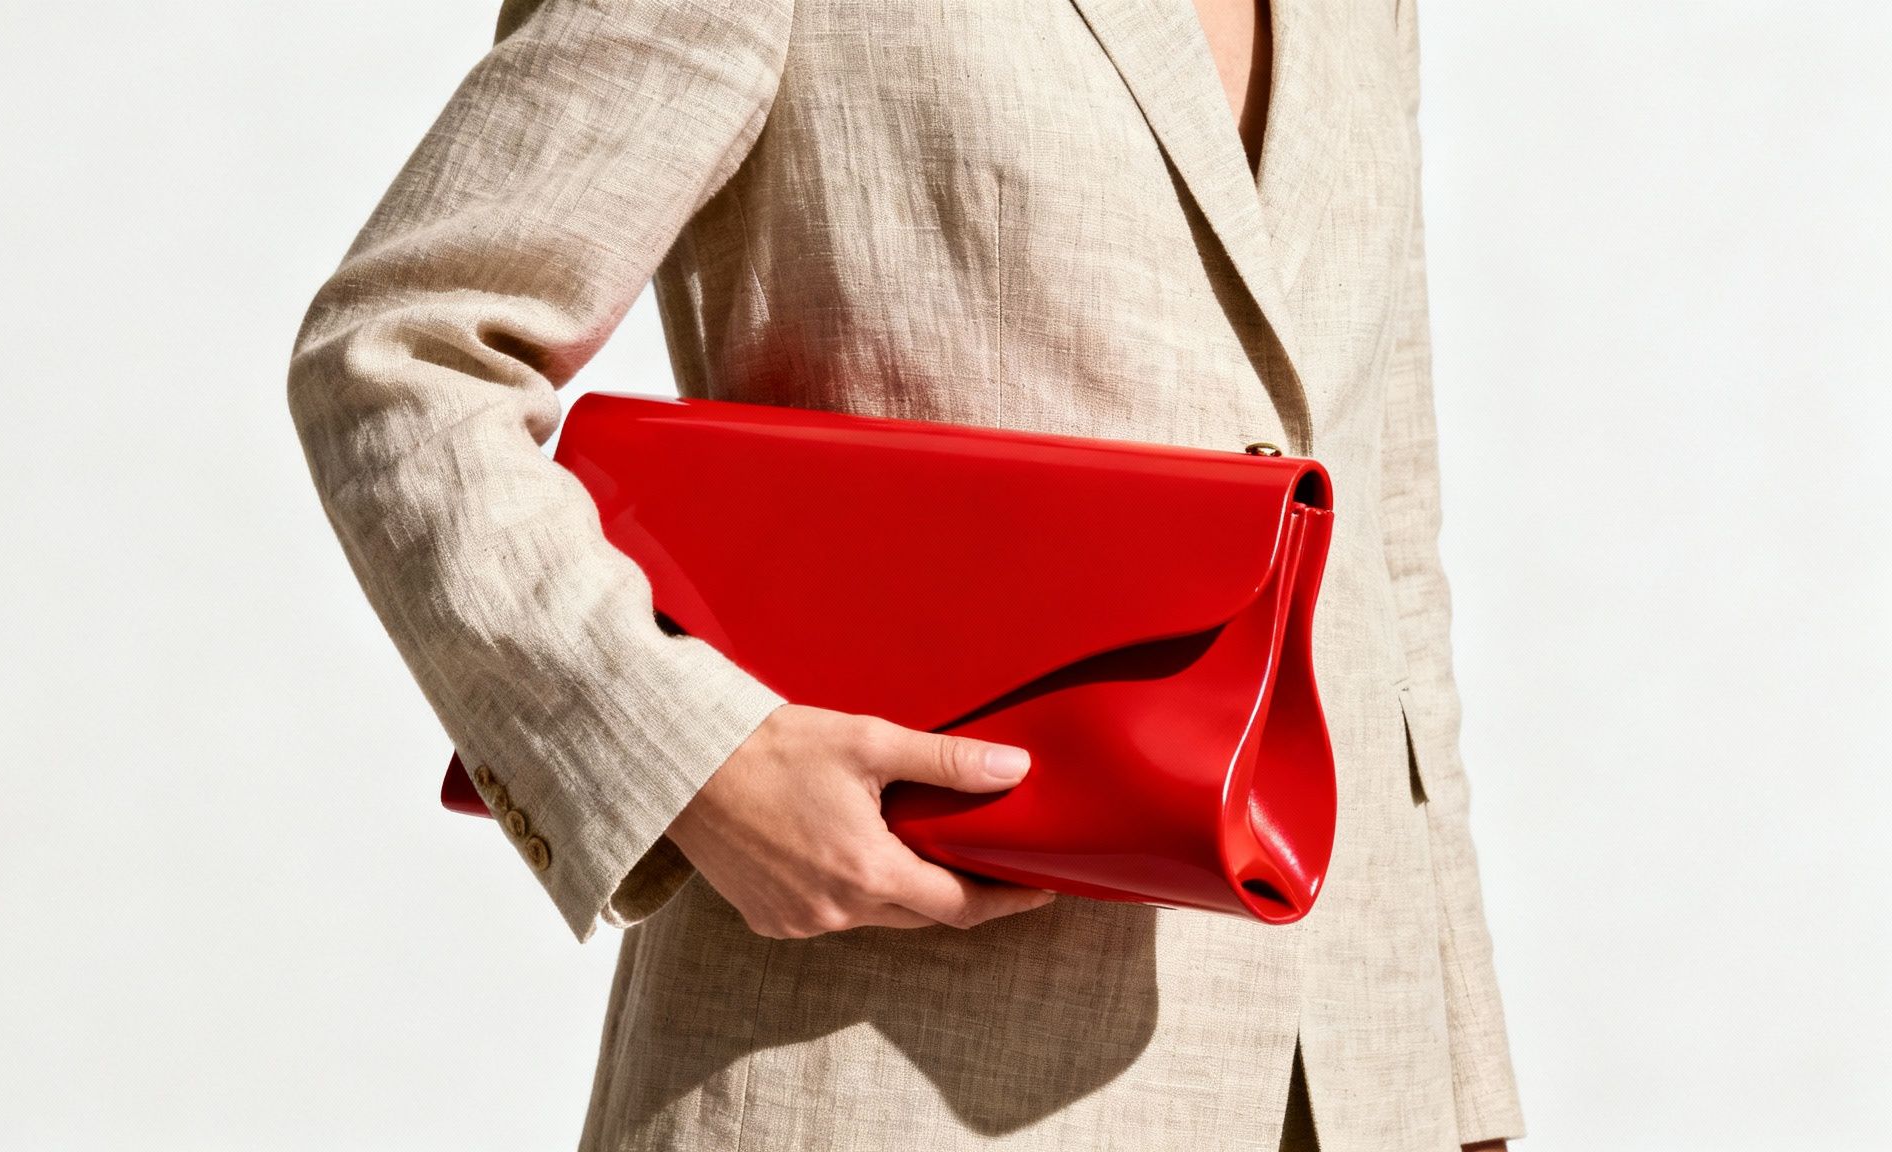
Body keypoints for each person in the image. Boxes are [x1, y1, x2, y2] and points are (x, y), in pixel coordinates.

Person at [285, 0, 1525, 1148]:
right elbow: (401, 357)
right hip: (874, 1065)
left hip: (1359, 1080)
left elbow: (1381, 531)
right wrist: (695, 762)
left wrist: (1461, 1079)